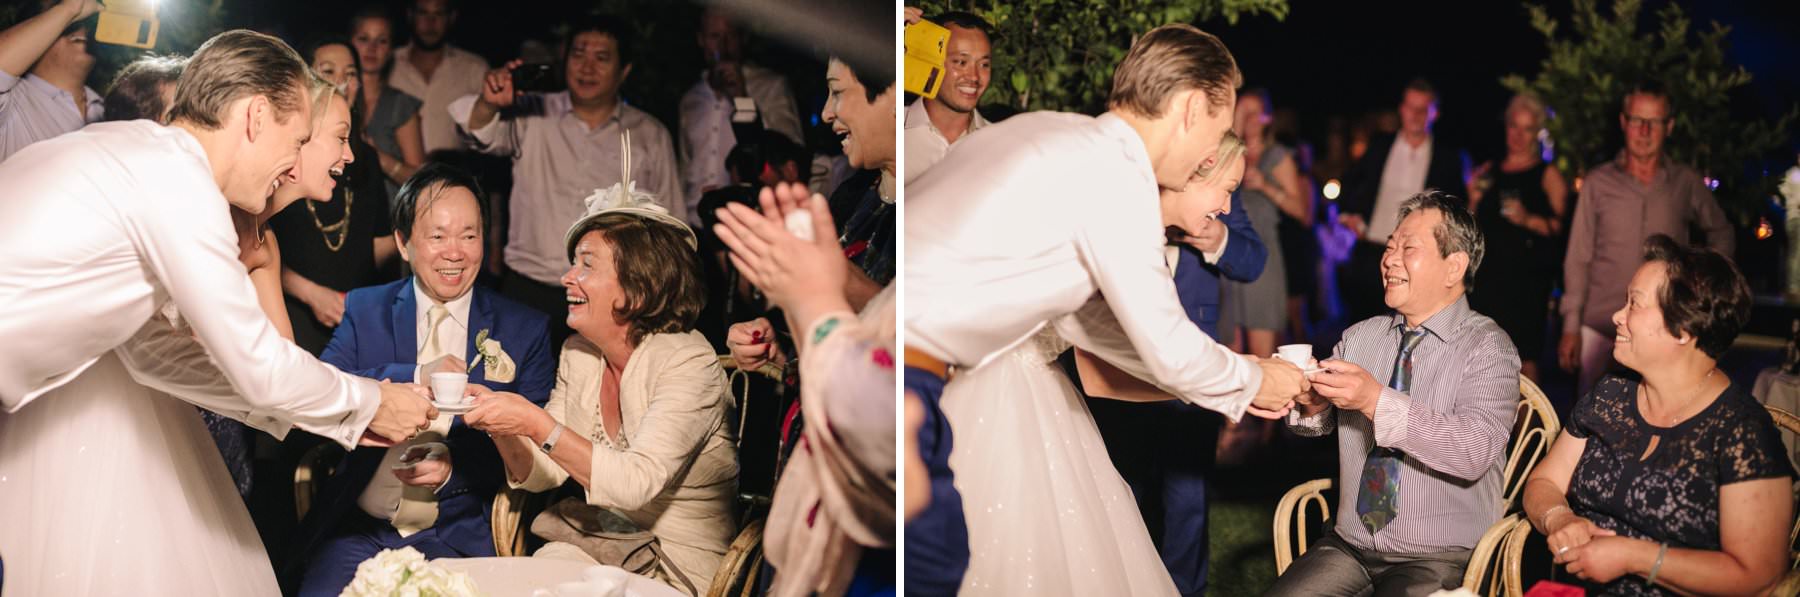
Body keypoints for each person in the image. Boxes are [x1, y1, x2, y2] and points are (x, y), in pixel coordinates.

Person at [0, 29, 434, 596]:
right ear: (256, 116)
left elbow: (153, 355)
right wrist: (372, 401)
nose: (290, 163)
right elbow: (259, 363)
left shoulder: (134, 153)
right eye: (296, 139)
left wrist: (338, 416)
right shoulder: (179, 185)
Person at [903, 24, 1308, 594]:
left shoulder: (1057, 135)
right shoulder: (1114, 176)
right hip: (925, 393)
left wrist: (1239, 377)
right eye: (1219, 130)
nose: (1212, 152)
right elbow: (1165, 345)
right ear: (1192, 109)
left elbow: (1087, 323)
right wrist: (1255, 381)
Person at [288, 164, 555, 596]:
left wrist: (454, 471)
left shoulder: (524, 329)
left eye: (469, 236)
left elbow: (538, 455)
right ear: (403, 242)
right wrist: (413, 376)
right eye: (437, 236)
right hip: (360, 530)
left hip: (459, 534)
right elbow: (320, 387)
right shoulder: (365, 308)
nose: (455, 253)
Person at [464, 184, 735, 596]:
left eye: (587, 266)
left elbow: (635, 482)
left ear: (638, 288)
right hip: (602, 542)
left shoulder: (688, 363)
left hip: (678, 565)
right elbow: (545, 473)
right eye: (574, 263)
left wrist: (534, 422)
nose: (567, 277)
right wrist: (502, 425)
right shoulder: (580, 353)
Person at [1267, 191, 1519, 596]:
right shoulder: (1361, 337)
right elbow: (1314, 427)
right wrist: (1311, 404)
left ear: (1454, 266)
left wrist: (1374, 400)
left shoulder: (1488, 347)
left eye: (1408, 248)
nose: (1389, 260)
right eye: (1389, 247)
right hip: (1349, 545)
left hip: (1439, 555)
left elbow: (1473, 451)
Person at [1527, 235, 1791, 595]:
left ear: (1683, 328)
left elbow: (1759, 575)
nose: (1617, 316)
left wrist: (1633, 557)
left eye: (1634, 304)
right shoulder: (1611, 393)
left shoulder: (1742, 432)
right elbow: (1544, 482)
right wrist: (1559, 517)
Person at [1084, 134, 1266, 597]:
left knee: (1187, 494)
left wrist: (1218, 239)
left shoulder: (1222, 201)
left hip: (1195, 356)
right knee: (1123, 484)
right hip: (1120, 358)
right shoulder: (1132, 187)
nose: (1226, 203)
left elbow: (1253, 260)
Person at [451, 15, 683, 349]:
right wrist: (489, 102)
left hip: (611, 297)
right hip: (529, 289)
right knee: (508, 378)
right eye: (578, 54)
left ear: (624, 70)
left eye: (601, 58)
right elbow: (477, 132)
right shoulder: (533, 113)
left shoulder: (649, 134)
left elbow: (671, 226)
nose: (587, 67)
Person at [714, 182, 897, 596]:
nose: (830, 112)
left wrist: (814, 300)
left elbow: (891, 390)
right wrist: (787, 345)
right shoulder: (854, 198)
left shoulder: (920, 212)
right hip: (818, 454)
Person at [1559, 81, 1735, 397]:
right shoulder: (1598, 182)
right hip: (1600, 326)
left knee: (1660, 411)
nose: (1644, 131)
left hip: (1662, 329)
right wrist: (1571, 325)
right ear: (1623, 122)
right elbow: (1578, 256)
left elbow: (1721, 231)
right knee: (1590, 413)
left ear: (1669, 126)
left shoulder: (1685, 181)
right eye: (1637, 120)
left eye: (1654, 122)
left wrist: (1701, 287)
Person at [272, 38, 403, 354]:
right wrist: (311, 293)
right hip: (296, 316)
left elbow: (376, 245)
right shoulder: (255, 206)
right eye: (328, 71)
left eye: (350, 73)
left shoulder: (365, 159)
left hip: (350, 318)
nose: (341, 83)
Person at [1338, 79, 1469, 322]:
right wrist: (1349, 215)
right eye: (1411, 107)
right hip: (1371, 251)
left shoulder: (1447, 158)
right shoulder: (1380, 145)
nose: (1415, 115)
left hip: (1417, 259)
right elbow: (1349, 181)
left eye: (1423, 109)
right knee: (1361, 325)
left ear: (1435, 113)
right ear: (1402, 109)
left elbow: (1457, 206)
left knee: (1410, 326)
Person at [1467, 93, 1568, 383]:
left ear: (1537, 133)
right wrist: (1473, 198)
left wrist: (1528, 219)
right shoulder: (1490, 171)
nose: (1518, 135)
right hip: (1487, 280)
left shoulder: (1547, 175)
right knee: (1480, 358)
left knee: (1524, 364)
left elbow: (1563, 229)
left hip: (1526, 287)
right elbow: (1470, 227)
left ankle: (1528, 414)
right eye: (1514, 126)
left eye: (1527, 128)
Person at [678, 6, 803, 226]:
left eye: (731, 35)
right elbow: (685, 168)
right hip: (697, 223)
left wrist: (741, 97)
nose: (723, 45)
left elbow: (789, 151)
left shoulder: (771, 87)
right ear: (701, 40)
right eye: (715, 36)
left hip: (754, 219)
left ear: (742, 38)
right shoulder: (690, 99)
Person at [0, 0, 103, 162]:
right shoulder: (11, 102)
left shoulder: (111, 107)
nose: (82, 26)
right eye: (69, 21)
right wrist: (69, 8)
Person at [900, 10, 992, 184]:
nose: (974, 76)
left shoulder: (1001, 143)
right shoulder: (891, 126)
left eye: (984, 64)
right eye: (961, 62)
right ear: (929, 60)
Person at [388, 0, 488, 156]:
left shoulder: (474, 69)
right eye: (423, 12)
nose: (430, 22)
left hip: (455, 167)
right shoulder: (388, 64)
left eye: (439, 13)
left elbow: (494, 135)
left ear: (452, 17)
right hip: (394, 169)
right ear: (410, 15)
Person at [351, 5, 427, 191]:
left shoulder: (400, 104)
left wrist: (377, 156)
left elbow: (420, 181)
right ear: (349, 43)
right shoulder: (335, 99)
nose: (372, 48)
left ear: (391, 49)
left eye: (382, 41)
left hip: (388, 205)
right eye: (364, 39)